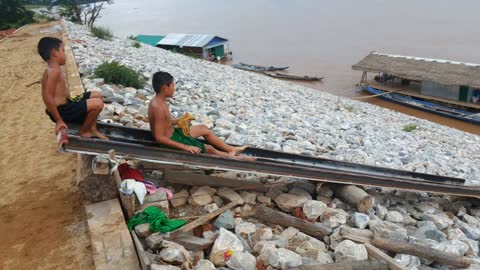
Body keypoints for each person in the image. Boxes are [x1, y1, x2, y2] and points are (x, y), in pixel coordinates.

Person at [148, 71, 254, 160]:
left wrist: (180, 121)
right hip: (170, 140)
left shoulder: (161, 102)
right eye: (172, 85)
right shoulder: (158, 107)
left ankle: (231, 149)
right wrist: (185, 147)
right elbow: (159, 137)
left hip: (173, 133)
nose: (174, 88)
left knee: (203, 128)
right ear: (165, 87)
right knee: (209, 149)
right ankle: (236, 158)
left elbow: (164, 123)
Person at [37, 37, 108, 139]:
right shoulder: (54, 72)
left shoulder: (52, 70)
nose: (65, 54)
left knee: (97, 95)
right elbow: (47, 97)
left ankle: (92, 128)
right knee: (98, 104)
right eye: (63, 50)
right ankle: (84, 131)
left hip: (67, 104)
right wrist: (59, 120)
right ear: (54, 52)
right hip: (63, 111)